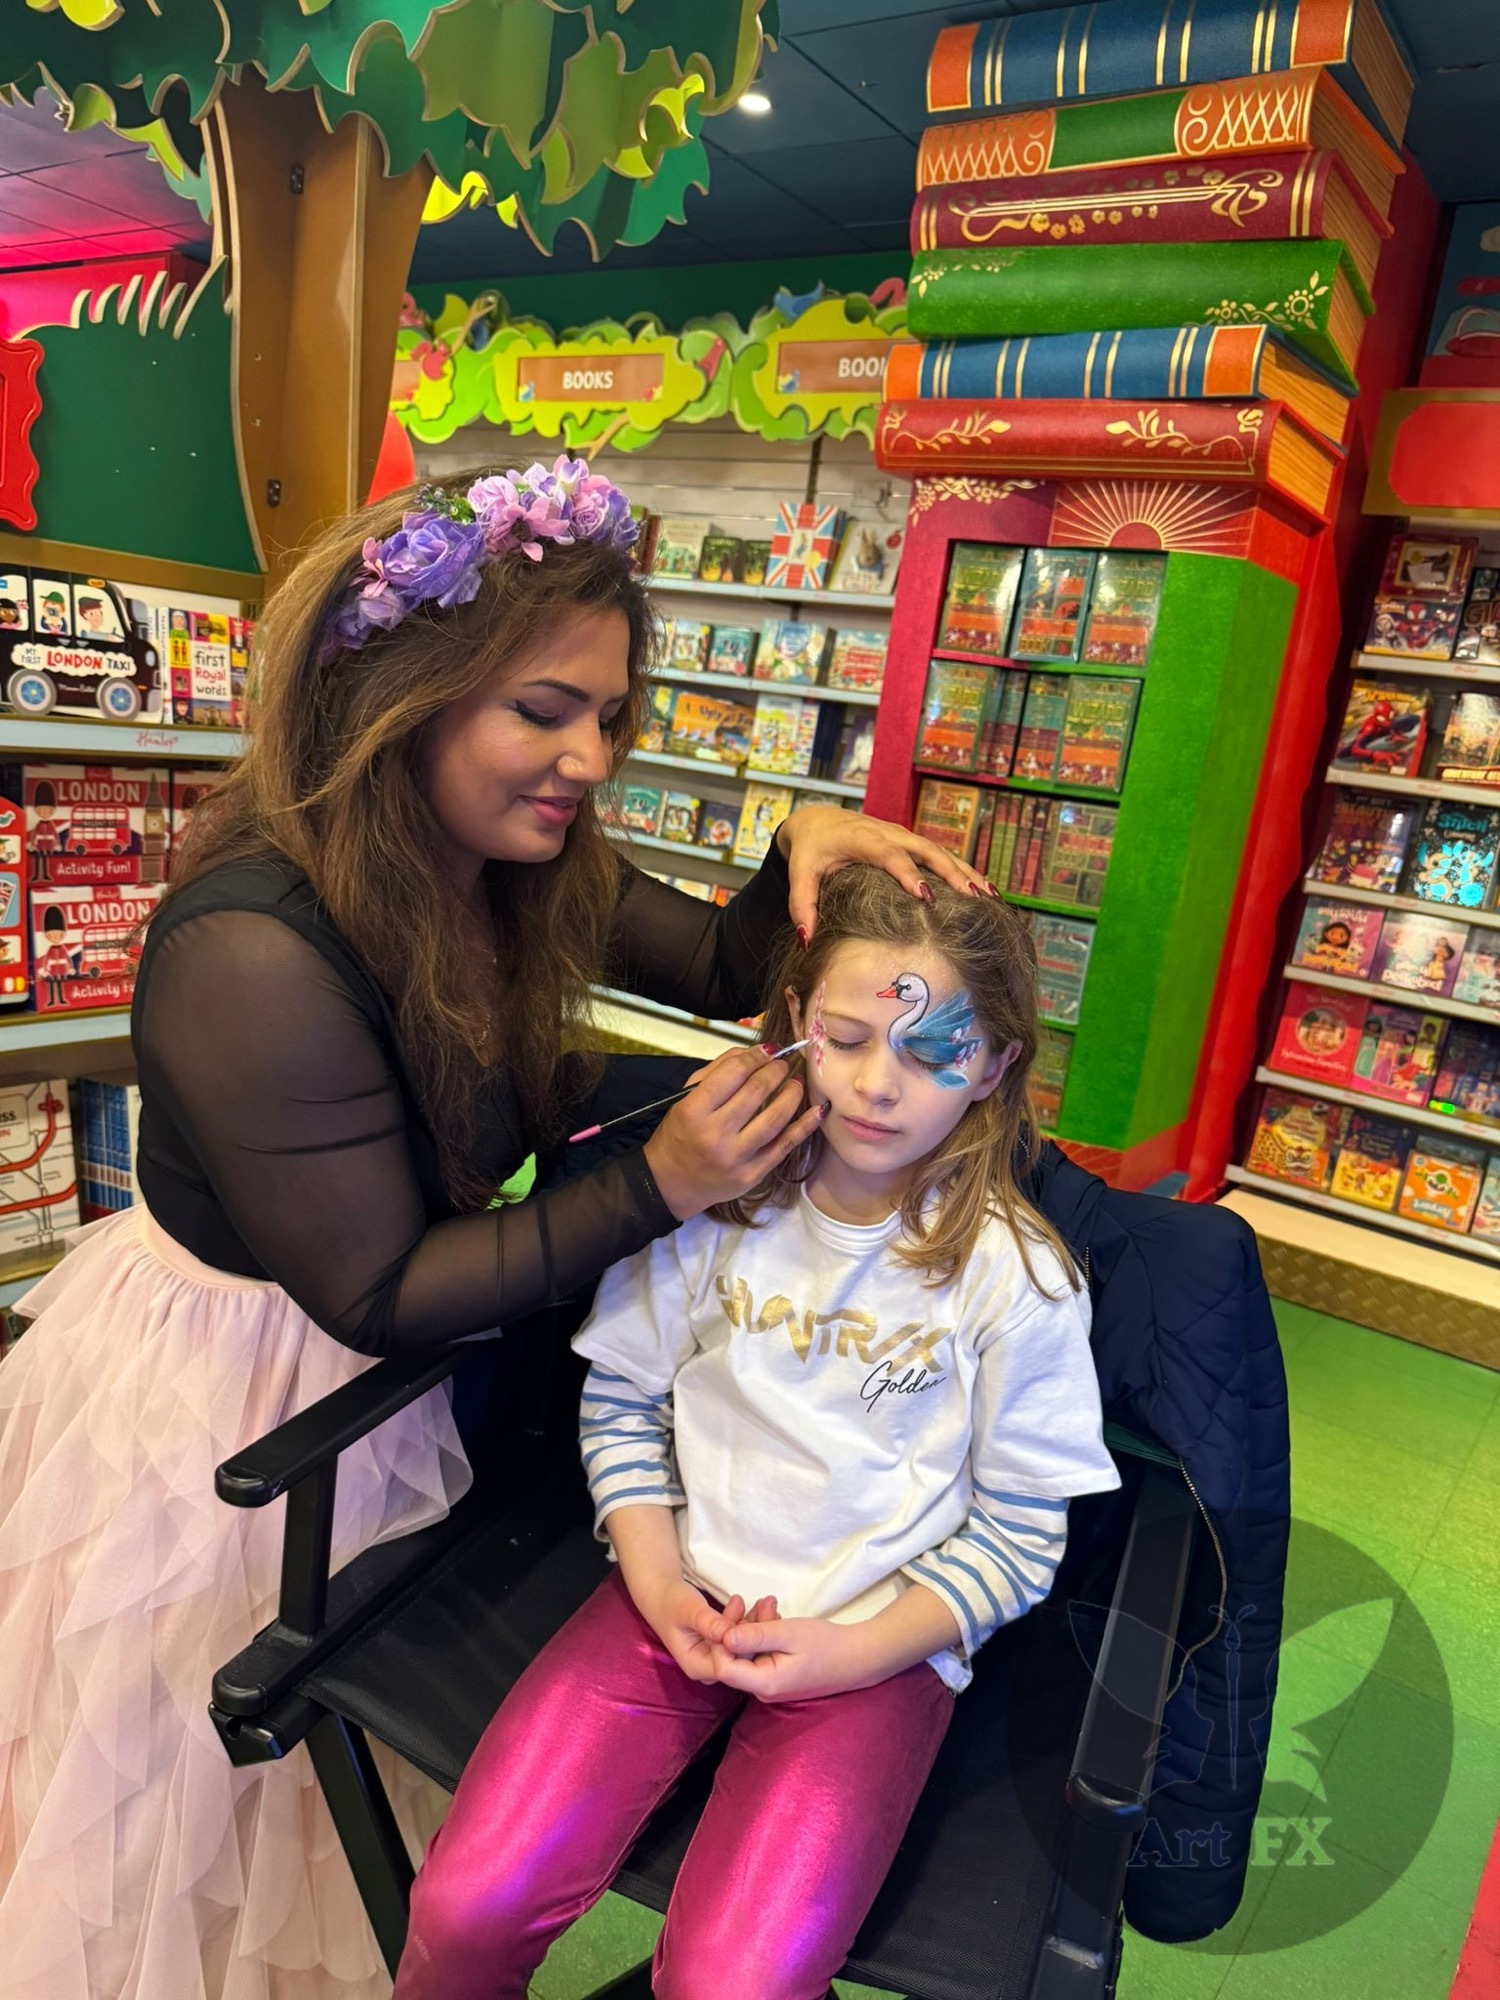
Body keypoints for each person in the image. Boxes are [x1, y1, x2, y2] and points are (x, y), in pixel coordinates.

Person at [0, 457, 993, 2000]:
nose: (589, 757)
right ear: (404, 691)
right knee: (175, 1812)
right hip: (244, 1381)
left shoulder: (514, 862)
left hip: (394, 1364)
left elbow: (729, 961)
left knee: (344, 1824)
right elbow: (379, 1289)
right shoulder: (252, 947)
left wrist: (799, 841)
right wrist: (658, 1181)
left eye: (609, 715)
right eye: (543, 711)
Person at [394, 863, 1124, 2000]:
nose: (882, 1085)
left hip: (870, 1653)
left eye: (936, 1052)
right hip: (669, 1594)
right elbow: (626, 1396)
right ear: (793, 1026)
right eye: (846, 1035)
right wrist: (652, 1568)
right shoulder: (716, 1204)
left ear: (996, 1064)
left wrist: (861, 1648)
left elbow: (1023, 1531)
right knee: (461, 1904)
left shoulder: (1017, 1280)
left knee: (737, 1982)